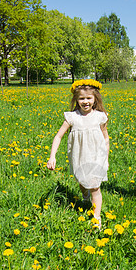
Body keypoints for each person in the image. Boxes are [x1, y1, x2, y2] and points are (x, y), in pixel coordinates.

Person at [47, 79, 109, 230]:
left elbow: (106, 137)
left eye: (89, 98)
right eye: (82, 98)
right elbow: (58, 136)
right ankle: (85, 196)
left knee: (95, 186)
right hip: (79, 156)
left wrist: (105, 157)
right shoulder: (72, 117)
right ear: (76, 99)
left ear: (95, 99)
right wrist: (52, 156)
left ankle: (96, 218)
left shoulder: (100, 116)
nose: (85, 101)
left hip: (96, 157)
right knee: (82, 182)